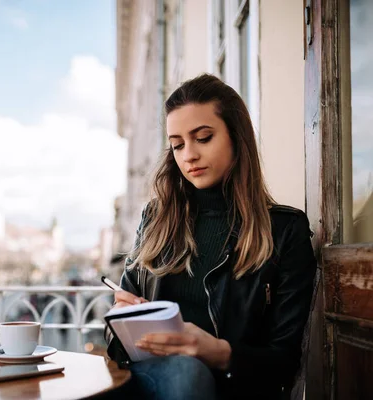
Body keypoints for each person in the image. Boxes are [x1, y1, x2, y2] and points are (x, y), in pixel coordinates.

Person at [105, 74, 317, 400]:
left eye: (202, 138)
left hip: (233, 387)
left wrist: (216, 351)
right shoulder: (156, 218)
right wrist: (124, 320)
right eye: (177, 144)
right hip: (150, 379)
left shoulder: (284, 230)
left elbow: (284, 362)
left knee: (187, 373)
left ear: (236, 137)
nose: (188, 155)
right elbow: (117, 342)